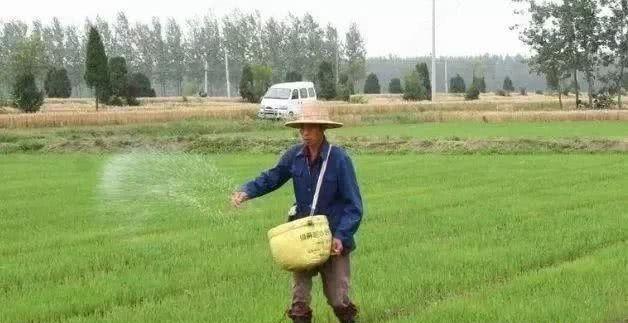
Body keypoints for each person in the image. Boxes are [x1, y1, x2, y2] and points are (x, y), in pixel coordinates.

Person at [231, 105, 363, 323]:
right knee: (299, 302)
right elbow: (272, 177)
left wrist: (341, 236)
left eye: (310, 128)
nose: (305, 133)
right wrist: (247, 191)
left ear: (322, 129)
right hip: (303, 237)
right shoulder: (295, 156)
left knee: (338, 300)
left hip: (333, 240)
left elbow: (354, 205)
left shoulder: (339, 160)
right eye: (302, 128)